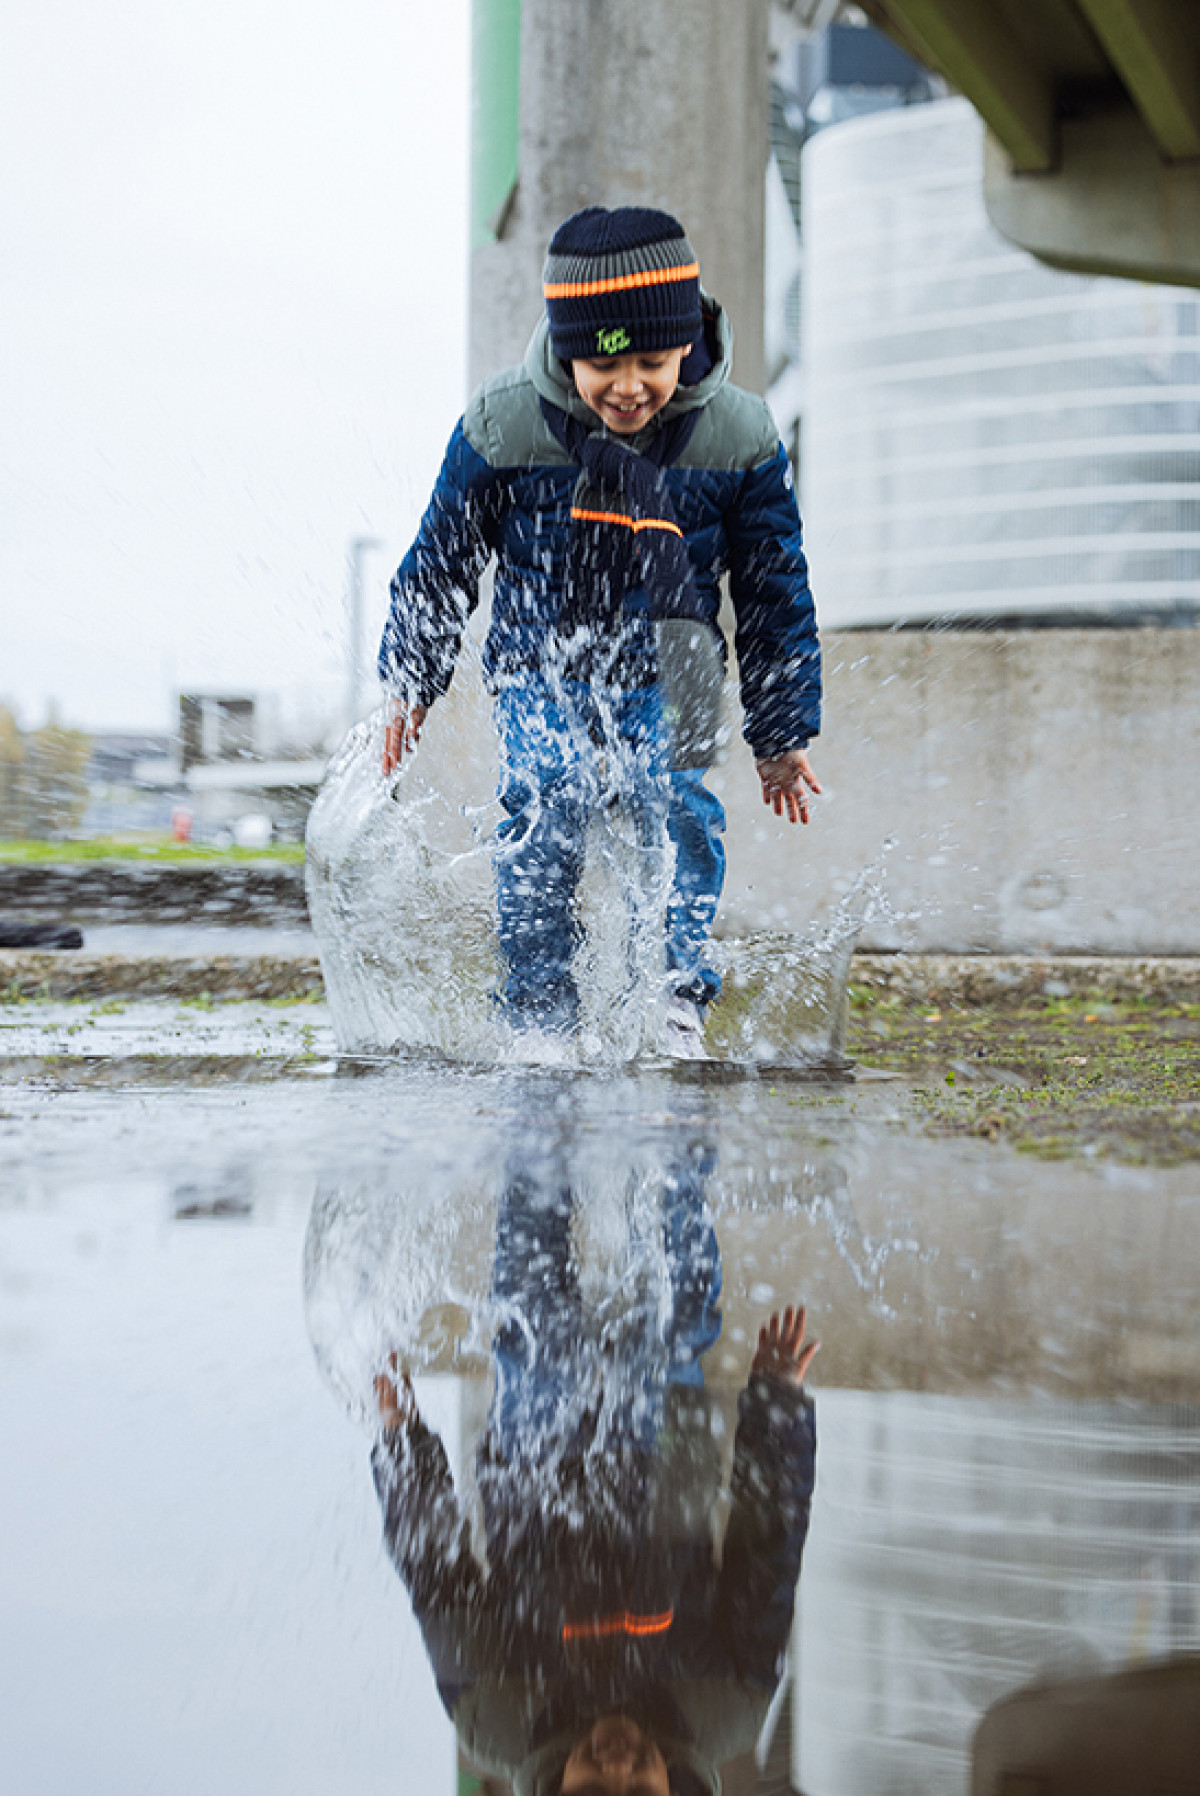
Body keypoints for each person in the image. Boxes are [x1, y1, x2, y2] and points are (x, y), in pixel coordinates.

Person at [378, 205, 821, 1055]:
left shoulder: (740, 435)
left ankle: (672, 997)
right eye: (602, 365)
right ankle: (540, 1008)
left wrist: (781, 726)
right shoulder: (506, 423)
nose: (629, 388)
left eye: (653, 363)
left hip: (677, 667)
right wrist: (412, 675)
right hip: (543, 663)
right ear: (566, 348)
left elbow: (773, 590)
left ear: (686, 342)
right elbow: (442, 556)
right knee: (546, 802)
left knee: (681, 812)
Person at [371, 1149, 820, 1796]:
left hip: (535, 1462)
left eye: (592, 1791)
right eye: (639, 1791)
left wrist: (403, 1441)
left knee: (536, 1327)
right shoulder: (726, 1704)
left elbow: (438, 1579)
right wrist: (776, 1413)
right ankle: (675, 1124)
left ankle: (537, 1104)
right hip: (665, 1454)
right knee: (665, 1314)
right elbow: (768, 1549)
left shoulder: (494, 1717)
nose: (617, 1767)